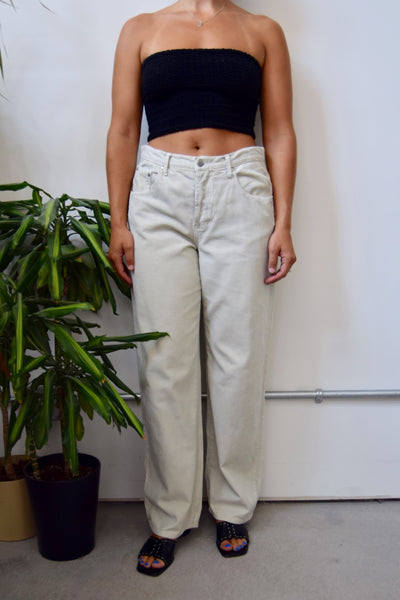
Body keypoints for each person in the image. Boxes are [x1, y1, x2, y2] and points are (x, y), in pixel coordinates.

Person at [106, 0, 296, 577]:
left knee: (238, 358)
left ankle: (232, 506)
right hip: (158, 193)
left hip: (240, 189)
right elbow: (123, 129)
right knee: (165, 361)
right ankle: (170, 514)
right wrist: (118, 221)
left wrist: (284, 222)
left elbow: (279, 130)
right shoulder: (140, 29)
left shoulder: (262, 30)